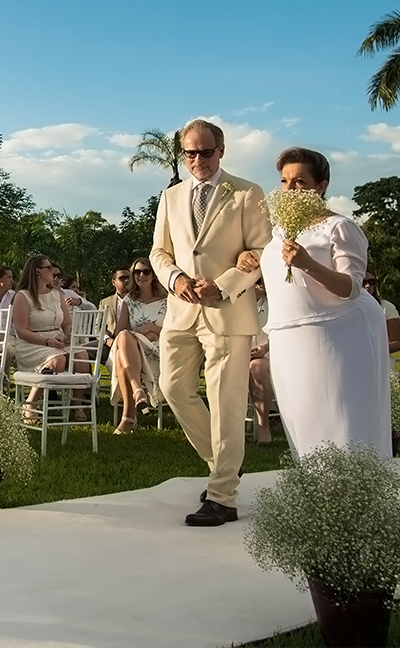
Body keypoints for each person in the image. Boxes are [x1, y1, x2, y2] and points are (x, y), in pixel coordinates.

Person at [150, 119, 270, 527]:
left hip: (227, 311)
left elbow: (262, 251)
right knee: (172, 388)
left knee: (226, 404)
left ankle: (222, 497)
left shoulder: (247, 192)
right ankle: (223, 465)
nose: (197, 159)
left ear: (221, 151)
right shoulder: (171, 196)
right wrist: (176, 280)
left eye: (205, 151)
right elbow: (159, 253)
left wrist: (223, 285)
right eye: (190, 152)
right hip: (181, 309)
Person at [244, 147, 390, 461]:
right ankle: (315, 485)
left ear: (321, 186)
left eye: (299, 182)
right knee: (301, 419)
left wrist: (308, 264)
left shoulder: (339, 227)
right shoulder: (277, 232)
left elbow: (351, 287)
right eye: (284, 181)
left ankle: (355, 482)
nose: (289, 189)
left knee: (341, 418)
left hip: (338, 335)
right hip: (288, 339)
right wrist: (250, 259)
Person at [11, 255, 89, 422]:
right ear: (38, 272)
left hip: (57, 338)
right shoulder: (22, 296)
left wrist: (68, 336)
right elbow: (22, 331)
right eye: (49, 267)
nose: (53, 271)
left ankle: (77, 406)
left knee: (82, 357)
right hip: (31, 342)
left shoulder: (57, 294)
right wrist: (47, 341)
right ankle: (30, 405)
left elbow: (67, 323)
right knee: (57, 360)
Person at [108, 258, 168, 435]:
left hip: (160, 348)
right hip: (134, 347)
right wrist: (139, 335)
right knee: (124, 338)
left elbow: (175, 330)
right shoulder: (129, 301)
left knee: (121, 354)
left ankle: (128, 416)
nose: (141, 275)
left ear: (154, 275)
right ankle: (137, 390)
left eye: (146, 271)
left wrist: (150, 328)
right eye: (137, 272)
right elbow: (119, 331)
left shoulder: (167, 300)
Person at [248, 278, 275, 446]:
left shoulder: (275, 302)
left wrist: (265, 348)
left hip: (269, 354)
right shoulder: (236, 302)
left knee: (257, 367)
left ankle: (263, 426)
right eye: (258, 279)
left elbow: (280, 332)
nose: (261, 283)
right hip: (238, 353)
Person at [363, 271, 400, 358]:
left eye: (371, 282)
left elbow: (398, 343)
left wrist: (376, 349)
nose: (368, 286)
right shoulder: (345, 307)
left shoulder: (386, 307)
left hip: (380, 358)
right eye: (363, 282)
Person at [98, 267, 132, 364]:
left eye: (128, 277)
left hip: (132, 341)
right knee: (81, 352)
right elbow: (98, 326)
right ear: (114, 282)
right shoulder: (105, 302)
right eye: (122, 278)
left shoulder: (138, 300)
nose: (126, 281)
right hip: (110, 342)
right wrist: (107, 339)